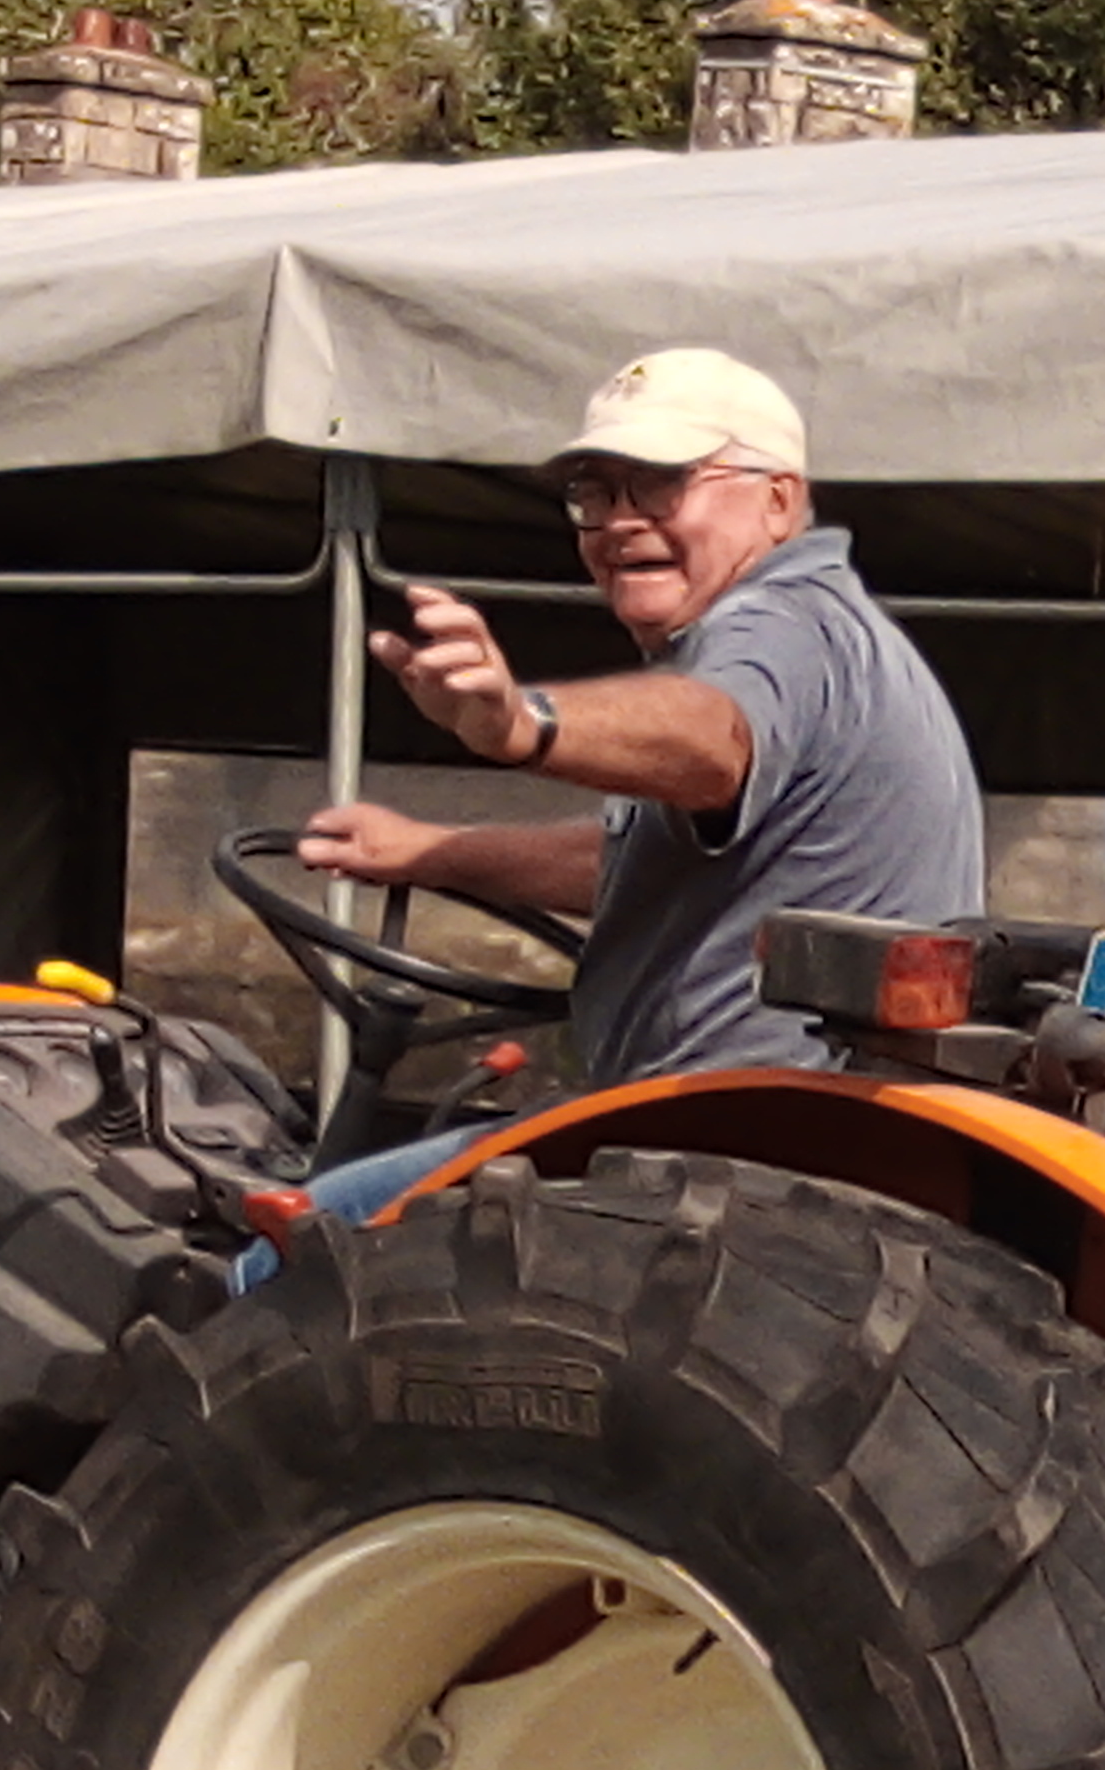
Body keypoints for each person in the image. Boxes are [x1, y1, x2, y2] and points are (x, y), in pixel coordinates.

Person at [261, 345, 985, 1243]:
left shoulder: (780, 622)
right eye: (595, 494)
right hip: (762, 1131)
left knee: (294, 1248)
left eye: (660, 484)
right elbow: (637, 859)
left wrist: (521, 725)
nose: (617, 523)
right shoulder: (834, 633)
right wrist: (428, 851)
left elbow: (713, 738)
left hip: (725, 1145)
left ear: (779, 499)